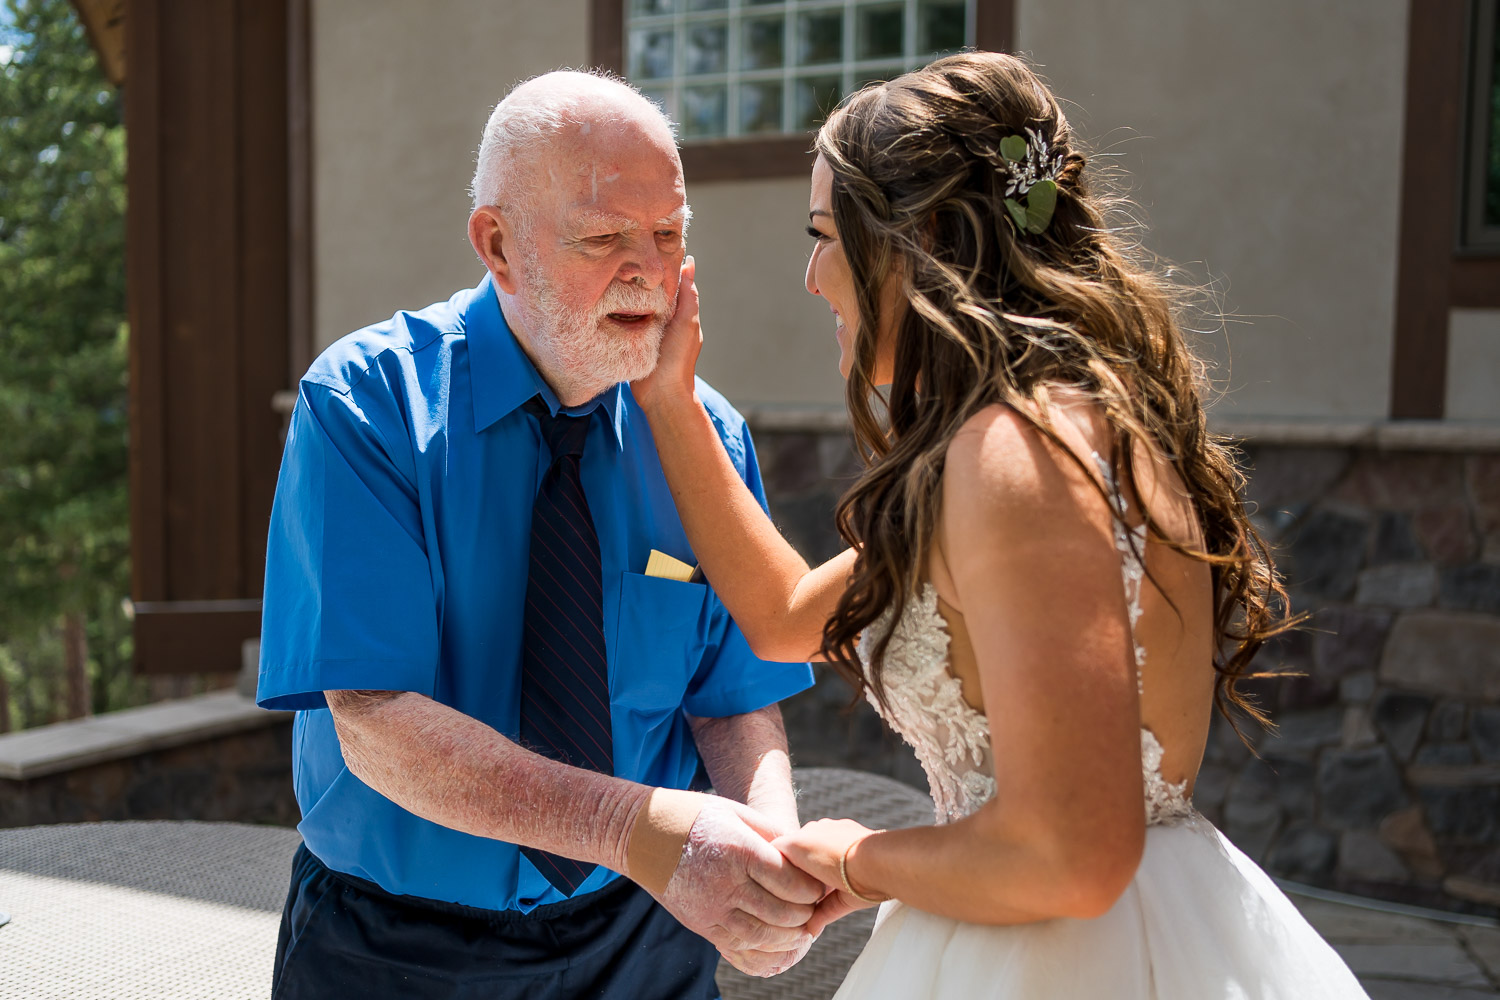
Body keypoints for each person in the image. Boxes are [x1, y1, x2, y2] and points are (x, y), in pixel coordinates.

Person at [631, 52, 1371, 997]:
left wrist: (861, 857)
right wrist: (670, 400)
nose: (814, 278)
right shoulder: (1055, 428)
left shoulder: (1016, 457)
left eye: (827, 235)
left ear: (924, 237)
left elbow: (1069, 858)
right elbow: (782, 618)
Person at [255, 71, 826, 999]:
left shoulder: (705, 435)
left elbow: (729, 696)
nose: (647, 268)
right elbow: (376, 725)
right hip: (394, 949)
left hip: (643, 936)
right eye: (604, 238)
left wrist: (772, 851)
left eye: (670, 234)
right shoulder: (366, 405)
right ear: (498, 244)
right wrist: (643, 833)